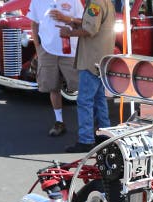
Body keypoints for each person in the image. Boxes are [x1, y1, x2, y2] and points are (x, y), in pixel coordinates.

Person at [52, 0, 116, 153]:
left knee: (85, 101)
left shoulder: (95, 2)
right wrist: (75, 25)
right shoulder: (104, 2)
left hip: (91, 59)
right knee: (99, 99)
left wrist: (70, 32)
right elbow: (93, 25)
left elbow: (90, 29)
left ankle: (86, 140)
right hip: (100, 59)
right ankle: (104, 135)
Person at [27, 0, 83, 137]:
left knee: (81, 87)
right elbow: (34, 24)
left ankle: (87, 125)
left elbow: (83, 21)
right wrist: (38, 48)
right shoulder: (37, 2)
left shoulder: (73, 1)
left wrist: (66, 19)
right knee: (53, 87)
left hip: (70, 51)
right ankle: (59, 122)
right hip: (47, 50)